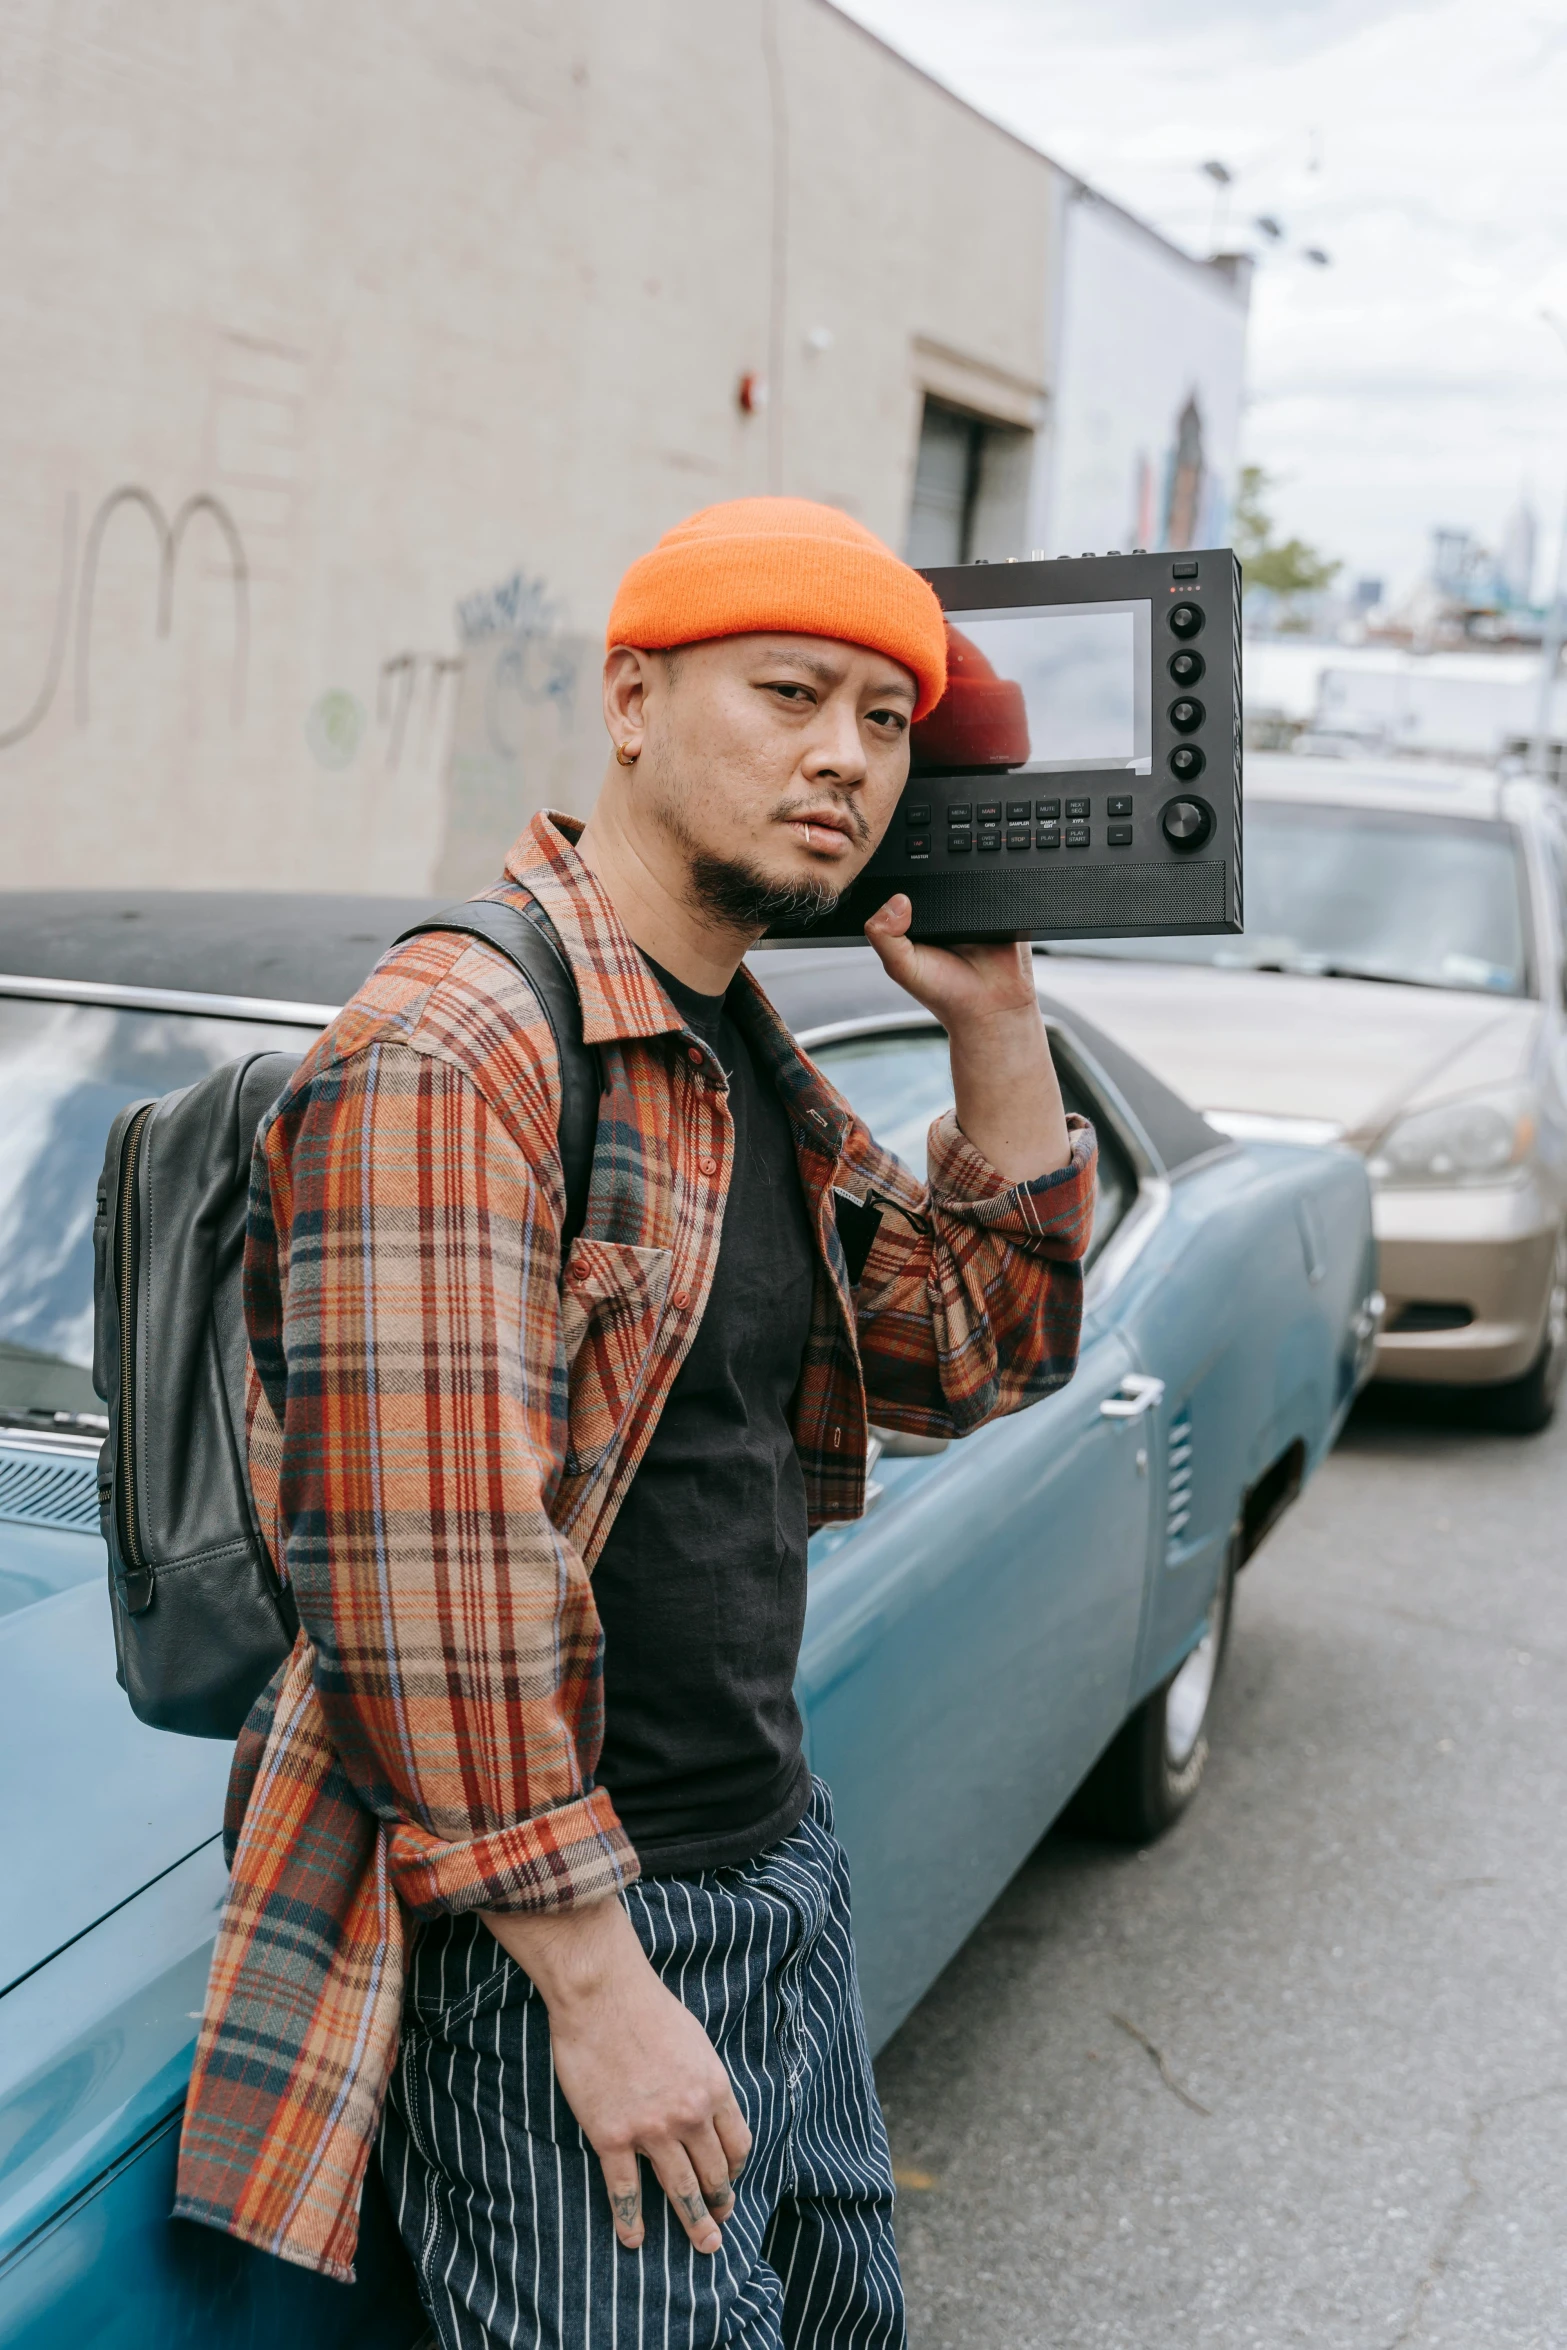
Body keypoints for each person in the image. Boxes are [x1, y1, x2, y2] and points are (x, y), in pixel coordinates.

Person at [176, 496, 1097, 2348]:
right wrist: (596, 1993)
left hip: (767, 1865)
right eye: (787, 693)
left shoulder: (733, 1049)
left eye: (884, 721)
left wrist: (994, 1012)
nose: (842, 755)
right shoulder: (463, 1051)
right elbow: (421, 1586)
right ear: (629, 698)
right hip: (561, 1944)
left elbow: (978, 1351)